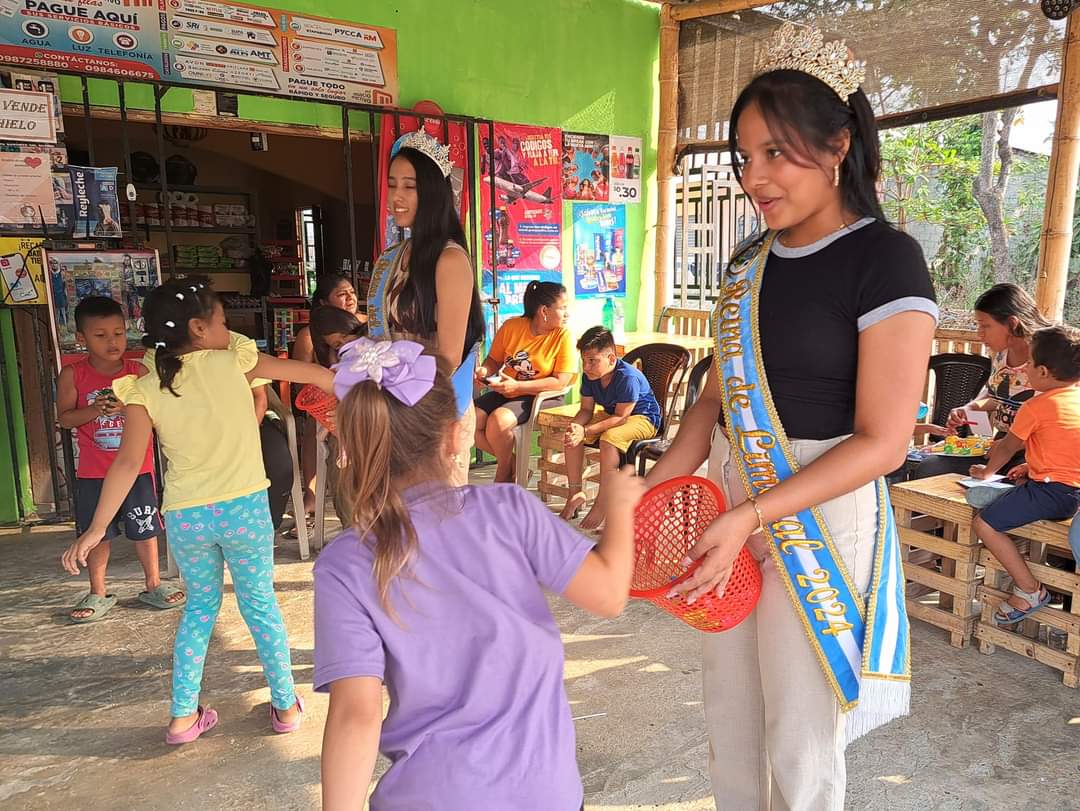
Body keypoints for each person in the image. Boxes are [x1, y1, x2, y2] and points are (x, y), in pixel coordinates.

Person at [643, 24, 938, 809]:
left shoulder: (886, 259)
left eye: (775, 152)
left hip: (819, 512)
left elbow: (884, 442)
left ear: (838, 144)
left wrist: (750, 514)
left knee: (800, 743)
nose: (753, 176)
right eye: (744, 156)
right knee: (731, 721)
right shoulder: (747, 267)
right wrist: (651, 498)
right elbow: (713, 400)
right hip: (732, 498)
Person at [312, 337, 644, 810]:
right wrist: (623, 509)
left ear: (354, 443)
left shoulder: (345, 564)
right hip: (544, 795)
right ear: (454, 437)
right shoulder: (510, 510)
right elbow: (609, 594)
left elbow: (356, 717)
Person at [61, 279, 335, 744]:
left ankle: (183, 716)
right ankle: (286, 705)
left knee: (200, 610)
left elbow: (127, 463)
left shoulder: (145, 387)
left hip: (188, 517)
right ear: (199, 328)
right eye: (222, 322)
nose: (229, 331)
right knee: (260, 605)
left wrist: (96, 528)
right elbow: (316, 375)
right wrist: (372, 382)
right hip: (244, 509)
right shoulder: (237, 362)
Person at [367, 130, 485, 487]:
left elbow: (447, 358)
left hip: (433, 413)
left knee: (437, 515)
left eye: (410, 186)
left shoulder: (449, 260)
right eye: (392, 185)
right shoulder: (393, 257)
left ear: (433, 193)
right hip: (393, 408)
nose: (396, 197)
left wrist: (403, 406)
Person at [56, 296, 183, 623]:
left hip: (138, 468)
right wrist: (94, 410)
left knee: (145, 526)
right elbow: (65, 419)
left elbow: (155, 413)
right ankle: (98, 591)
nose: (112, 342)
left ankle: (153, 583)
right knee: (98, 531)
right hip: (93, 471)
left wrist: (128, 406)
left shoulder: (137, 371)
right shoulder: (73, 375)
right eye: (100, 335)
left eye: (118, 333)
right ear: (81, 338)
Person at [969, 326, 1080, 623]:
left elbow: (1006, 447)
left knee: (984, 524)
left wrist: (986, 472)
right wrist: (1032, 467)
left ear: (1042, 371)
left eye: (1029, 363)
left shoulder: (1035, 406)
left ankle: (1030, 590)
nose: (1025, 368)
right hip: (1072, 494)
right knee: (1017, 489)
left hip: (1051, 493)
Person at [914, 283, 1048, 478]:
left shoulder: (1050, 358)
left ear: (1012, 323)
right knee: (930, 468)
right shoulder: (1001, 354)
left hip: (1035, 451)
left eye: (985, 325)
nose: (979, 333)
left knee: (1014, 483)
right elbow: (995, 395)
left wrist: (1010, 447)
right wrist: (970, 408)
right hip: (1000, 446)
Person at [474, 281, 575, 482]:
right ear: (544, 311)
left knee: (498, 422)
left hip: (542, 396)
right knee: (466, 421)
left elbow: (560, 382)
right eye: (563, 308)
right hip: (507, 390)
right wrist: (483, 371)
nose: (567, 314)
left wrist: (518, 386)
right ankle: (513, 466)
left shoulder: (564, 336)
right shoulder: (512, 326)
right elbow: (494, 360)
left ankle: (503, 475)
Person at [561, 326, 660, 530]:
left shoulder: (627, 377)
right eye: (584, 361)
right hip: (613, 415)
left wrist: (586, 431)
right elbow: (586, 410)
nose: (586, 367)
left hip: (643, 418)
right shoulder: (589, 377)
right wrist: (577, 427)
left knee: (608, 438)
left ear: (611, 359)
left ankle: (602, 502)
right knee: (572, 434)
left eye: (593, 361)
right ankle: (575, 492)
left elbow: (622, 417)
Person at [291, 274, 363, 529]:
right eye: (342, 294)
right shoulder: (310, 336)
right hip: (329, 409)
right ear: (323, 302)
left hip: (366, 408)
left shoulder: (367, 326)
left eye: (352, 292)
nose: (350, 298)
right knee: (322, 431)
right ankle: (314, 497)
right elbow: (302, 383)